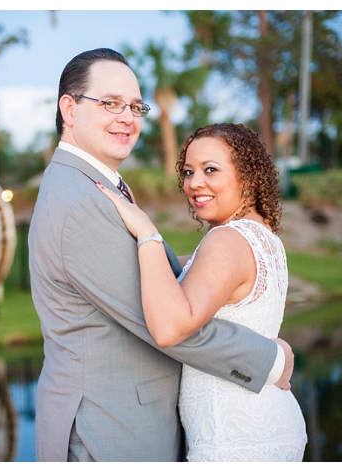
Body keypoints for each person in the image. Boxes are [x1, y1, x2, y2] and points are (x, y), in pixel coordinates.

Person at [28, 48, 294, 462]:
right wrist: (270, 359)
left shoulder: (96, 185)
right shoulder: (80, 201)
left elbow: (140, 276)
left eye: (135, 106)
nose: (128, 118)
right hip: (111, 429)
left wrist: (209, 263)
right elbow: (166, 322)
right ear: (70, 108)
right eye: (111, 103)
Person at [97, 122, 308, 461]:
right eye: (188, 171)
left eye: (210, 170)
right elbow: (170, 276)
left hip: (234, 437)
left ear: (247, 176)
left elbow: (170, 327)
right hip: (262, 421)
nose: (195, 183)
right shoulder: (261, 236)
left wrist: (147, 233)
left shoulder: (226, 240)